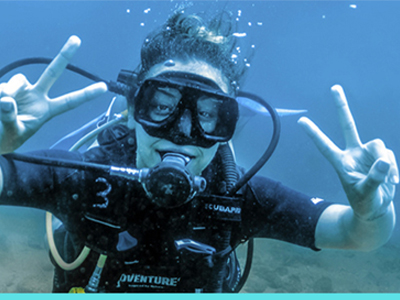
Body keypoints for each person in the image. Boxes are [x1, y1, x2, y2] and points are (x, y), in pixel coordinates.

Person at [0, 10, 397, 293]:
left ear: (227, 126)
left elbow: (357, 235)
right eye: (161, 106)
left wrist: (372, 212)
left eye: (209, 115)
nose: (183, 132)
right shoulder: (88, 180)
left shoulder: (237, 196)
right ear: (133, 110)